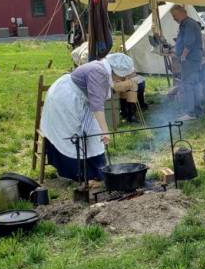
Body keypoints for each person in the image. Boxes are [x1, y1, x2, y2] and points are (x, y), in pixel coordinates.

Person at [40, 53, 134, 181]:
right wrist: (105, 130)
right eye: (122, 76)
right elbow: (97, 105)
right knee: (71, 135)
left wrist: (102, 130)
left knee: (93, 135)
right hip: (66, 98)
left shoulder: (103, 70)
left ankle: (96, 171)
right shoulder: (100, 73)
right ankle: (74, 173)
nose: (121, 79)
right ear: (117, 71)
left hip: (79, 99)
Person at [171, 4, 203, 120]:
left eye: (175, 16)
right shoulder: (186, 24)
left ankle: (190, 113)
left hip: (190, 59)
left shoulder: (189, 24)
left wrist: (183, 56)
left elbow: (189, 42)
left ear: (181, 12)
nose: (174, 18)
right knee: (194, 85)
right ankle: (197, 111)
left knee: (188, 85)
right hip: (193, 59)